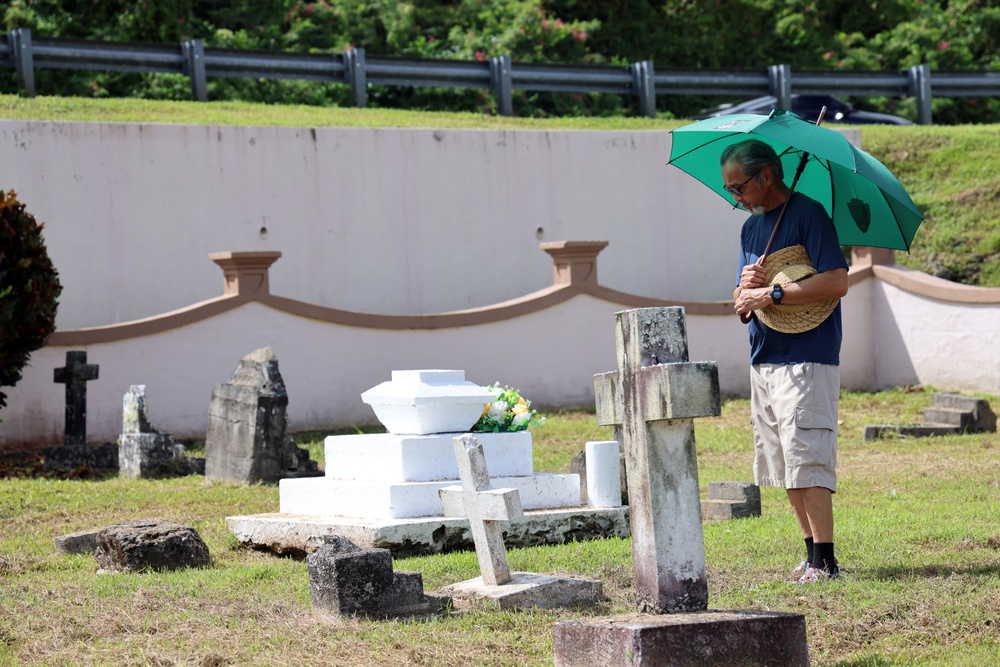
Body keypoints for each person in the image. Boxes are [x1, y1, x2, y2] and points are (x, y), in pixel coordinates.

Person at [721, 139, 849, 583]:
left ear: (767, 176)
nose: (735, 197)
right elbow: (740, 307)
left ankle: (828, 561)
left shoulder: (809, 214)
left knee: (806, 455)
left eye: (739, 187)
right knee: (782, 463)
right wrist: (745, 287)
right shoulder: (750, 230)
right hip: (764, 358)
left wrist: (772, 292)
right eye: (730, 190)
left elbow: (836, 282)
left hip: (807, 356)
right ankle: (811, 555)